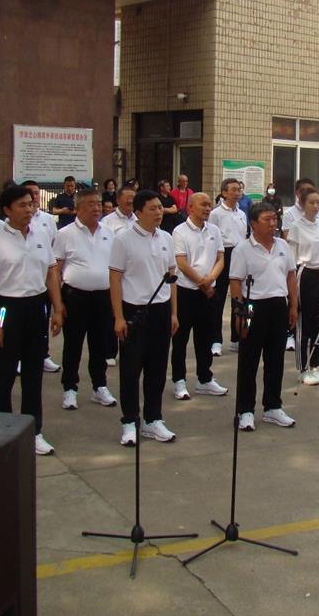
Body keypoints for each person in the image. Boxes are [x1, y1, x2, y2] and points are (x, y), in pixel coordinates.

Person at [0, 185, 64, 456]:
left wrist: (57, 308)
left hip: (36, 306)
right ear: (7, 210)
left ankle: (34, 431)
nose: (29, 209)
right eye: (22, 205)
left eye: (31, 204)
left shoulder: (41, 235)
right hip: (7, 307)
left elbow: (51, 273)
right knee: (3, 374)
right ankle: (3, 432)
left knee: (33, 374)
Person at [109, 190, 179, 446]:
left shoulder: (166, 238)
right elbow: (115, 279)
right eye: (152, 208)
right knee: (131, 369)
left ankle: (153, 419)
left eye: (160, 207)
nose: (159, 212)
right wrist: (118, 317)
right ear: (138, 212)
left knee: (157, 368)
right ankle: (130, 421)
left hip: (161, 311)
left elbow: (171, 278)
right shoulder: (123, 239)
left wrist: (174, 313)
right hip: (134, 311)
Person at [230, 202, 298, 430]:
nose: (272, 224)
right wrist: (239, 313)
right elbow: (235, 282)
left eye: (274, 219)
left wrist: (293, 305)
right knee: (249, 360)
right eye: (267, 220)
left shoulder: (282, 245)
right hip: (252, 306)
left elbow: (290, 276)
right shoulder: (242, 249)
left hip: (278, 305)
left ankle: (272, 407)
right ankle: (245, 410)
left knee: (275, 359)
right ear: (253, 223)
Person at [52, 188, 117, 411]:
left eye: (98, 203)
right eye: (91, 204)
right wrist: (58, 305)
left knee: (100, 344)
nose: (97, 208)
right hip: (75, 296)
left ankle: (100, 386)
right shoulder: (65, 234)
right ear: (78, 208)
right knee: (73, 344)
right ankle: (70, 388)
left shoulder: (109, 233)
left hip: (103, 297)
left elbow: (116, 268)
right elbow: (55, 270)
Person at [170, 192, 228, 399]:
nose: (207, 208)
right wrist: (202, 283)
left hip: (208, 292)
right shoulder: (179, 231)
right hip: (186, 292)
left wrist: (210, 279)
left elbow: (220, 259)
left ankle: (204, 379)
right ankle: (179, 380)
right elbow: (181, 263)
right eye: (203, 204)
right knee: (180, 339)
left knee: (205, 338)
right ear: (190, 207)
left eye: (209, 205)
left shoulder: (214, 230)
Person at [287, 187, 319, 386]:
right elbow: (291, 258)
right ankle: (303, 368)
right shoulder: (296, 227)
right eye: (311, 203)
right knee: (305, 322)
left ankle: (315, 366)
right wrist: (291, 289)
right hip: (305, 275)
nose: (315, 206)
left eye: (318, 202)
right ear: (302, 204)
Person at [20, 180, 61, 373]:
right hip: (18, 283)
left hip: (43, 279)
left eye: (36, 193)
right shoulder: (10, 224)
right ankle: (18, 356)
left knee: (42, 320)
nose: (34, 197)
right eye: (30, 193)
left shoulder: (48, 220)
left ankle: (42, 355)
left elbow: (54, 247)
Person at [209, 178, 249, 357]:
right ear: (224, 193)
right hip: (223, 254)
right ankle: (215, 340)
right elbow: (211, 237)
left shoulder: (241, 213)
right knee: (217, 300)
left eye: (239, 189)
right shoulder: (216, 214)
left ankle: (236, 338)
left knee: (239, 298)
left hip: (240, 254)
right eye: (233, 189)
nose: (237, 192)